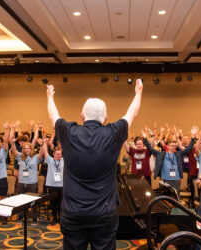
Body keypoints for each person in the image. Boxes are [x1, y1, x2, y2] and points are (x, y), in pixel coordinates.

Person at [46, 79, 143, 250]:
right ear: (105, 118)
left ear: (82, 116)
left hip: (73, 213)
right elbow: (131, 114)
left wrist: (50, 97)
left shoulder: (69, 132)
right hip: (104, 214)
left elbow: (53, 115)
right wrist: (138, 93)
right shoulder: (113, 133)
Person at [142, 126, 198, 195]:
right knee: (165, 200)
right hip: (165, 181)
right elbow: (151, 149)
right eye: (172, 146)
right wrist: (146, 138)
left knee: (175, 199)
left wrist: (192, 137)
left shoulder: (178, 154)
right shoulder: (162, 154)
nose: (173, 147)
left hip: (176, 181)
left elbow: (189, 149)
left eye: (175, 146)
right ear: (168, 146)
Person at [10, 130, 41, 225]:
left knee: (33, 202)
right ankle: (20, 218)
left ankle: (35, 219)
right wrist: (12, 143)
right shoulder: (20, 157)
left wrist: (42, 144)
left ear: (31, 149)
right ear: (23, 149)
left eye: (29, 148)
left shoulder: (35, 158)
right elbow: (14, 150)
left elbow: (42, 153)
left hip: (32, 183)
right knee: (21, 201)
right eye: (25, 148)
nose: (27, 150)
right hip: (22, 182)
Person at [43, 144, 64, 225]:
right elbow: (45, 152)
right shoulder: (50, 160)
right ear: (54, 154)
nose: (59, 155)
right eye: (57, 154)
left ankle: (61, 218)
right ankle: (54, 218)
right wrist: (44, 143)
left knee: (61, 204)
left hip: (62, 186)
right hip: (52, 186)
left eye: (60, 154)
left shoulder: (64, 160)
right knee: (53, 203)